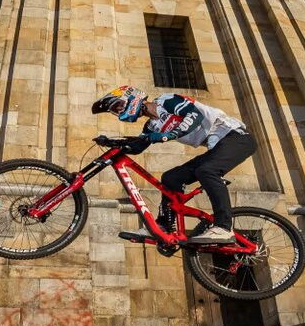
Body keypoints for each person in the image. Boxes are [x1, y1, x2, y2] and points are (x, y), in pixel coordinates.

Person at [92, 85, 257, 244]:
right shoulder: (151, 125)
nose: (119, 112)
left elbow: (193, 116)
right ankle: (164, 225)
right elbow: (136, 147)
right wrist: (112, 142)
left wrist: (167, 135)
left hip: (237, 137)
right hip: (217, 146)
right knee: (171, 178)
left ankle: (223, 227)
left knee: (206, 171)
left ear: (132, 97)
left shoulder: (166, 101)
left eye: (118, 106)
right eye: (116, 111)